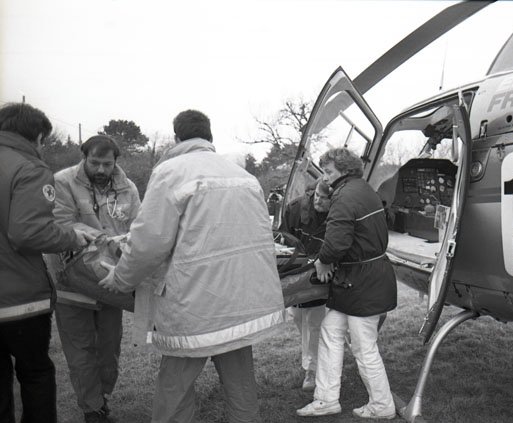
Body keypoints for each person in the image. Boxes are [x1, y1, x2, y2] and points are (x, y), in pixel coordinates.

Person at [99, 109, 285, 423]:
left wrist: (120, 278)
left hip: (194, 305)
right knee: (240, 383)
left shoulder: (171, 172)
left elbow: (149, 242)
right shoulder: (244, 177)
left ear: (177, 137)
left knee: (175, 385)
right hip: (240, 303)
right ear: (209, 136)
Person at [0, 102, 93, 423]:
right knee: (35, 373)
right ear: (37, 136)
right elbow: (28, 232)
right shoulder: (29, 169)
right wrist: (72, 237)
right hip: (18, 301)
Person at [296, 147, 397, 419]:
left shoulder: (344, 195)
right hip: (359, 279)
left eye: (329, 171)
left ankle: (382, 405)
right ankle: (326, 399)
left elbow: (336, 243)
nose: (324, 177)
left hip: (362, 281)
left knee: (364, 346)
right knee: (330, 330)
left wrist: (322, 261)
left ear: (344, 170)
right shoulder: (363, 189)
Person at [52, 135, 140, 423]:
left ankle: (102, 397)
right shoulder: (62, 182)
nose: (101, 169)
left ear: (116, 162)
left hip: (110, 281)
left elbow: (139, 228)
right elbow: (61, 223)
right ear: (84, 158)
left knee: (109, 349)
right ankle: (93, 410)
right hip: (72, 281)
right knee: (80, 352)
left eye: (107, 164)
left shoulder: (128, 189)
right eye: (95, 163)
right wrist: (102, 238)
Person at [282, 180, 331, 392]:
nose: (319, 201)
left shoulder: (338, 214)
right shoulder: (295, 208)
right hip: (296, 270)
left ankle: (311, 369)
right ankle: (314, 357)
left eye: (325, 198)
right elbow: (283, 237)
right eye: (317, 196)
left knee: (314, 321)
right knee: (297, 316)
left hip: (320, 273)